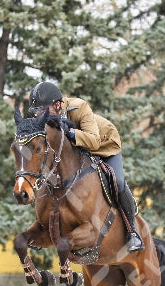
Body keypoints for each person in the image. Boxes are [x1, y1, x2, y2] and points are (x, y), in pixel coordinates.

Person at [28, 81, 144, 252]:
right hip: (78, 150)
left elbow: (94, 141)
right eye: (38, 112)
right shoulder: (46, 119)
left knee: (118, 182)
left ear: (58, 104)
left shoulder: (79, 107)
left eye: (44, 111)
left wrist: (70, 132)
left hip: (104, 145)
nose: (40, 115)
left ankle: (132, 232)